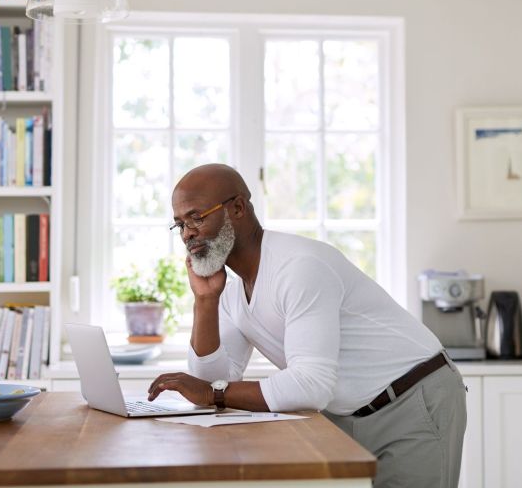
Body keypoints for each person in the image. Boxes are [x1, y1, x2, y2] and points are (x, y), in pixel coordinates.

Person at [147, 164, 466, 488]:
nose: (187, 233)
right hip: (347, 412)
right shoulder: (228, 289)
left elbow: (310, 384)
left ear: (238, 208)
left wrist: (212, 393)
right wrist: (205, 301)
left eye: (196, 217)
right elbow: (210, 384)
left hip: (412, 398)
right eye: (179, 224)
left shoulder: (299, 268)